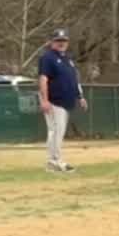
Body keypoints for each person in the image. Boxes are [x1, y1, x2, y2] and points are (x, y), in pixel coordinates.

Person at [38, 28, 88, 173]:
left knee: (59, 131)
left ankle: (56, 160)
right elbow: (43, 79)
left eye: (64, 40)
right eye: (58, 40)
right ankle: (54, 161)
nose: (61, 43)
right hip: (54, 101)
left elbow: (73, 79)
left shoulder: (67, 59)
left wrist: (80, 96)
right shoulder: (48, 58)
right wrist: (45, 100)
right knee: (55, 131)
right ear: (52, 42)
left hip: (65, 102)